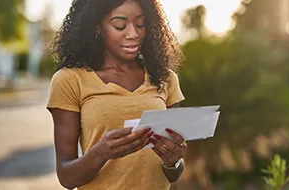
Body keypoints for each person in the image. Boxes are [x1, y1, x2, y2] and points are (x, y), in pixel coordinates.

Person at [46, 0, 187, 189]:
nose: (133, 34)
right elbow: (67, 177)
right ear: (97, 27)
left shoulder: (164, 78)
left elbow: (174, 174)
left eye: (140, 24)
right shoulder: (70, 80)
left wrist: (172, 162)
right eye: (119, 25)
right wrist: (101, 152)